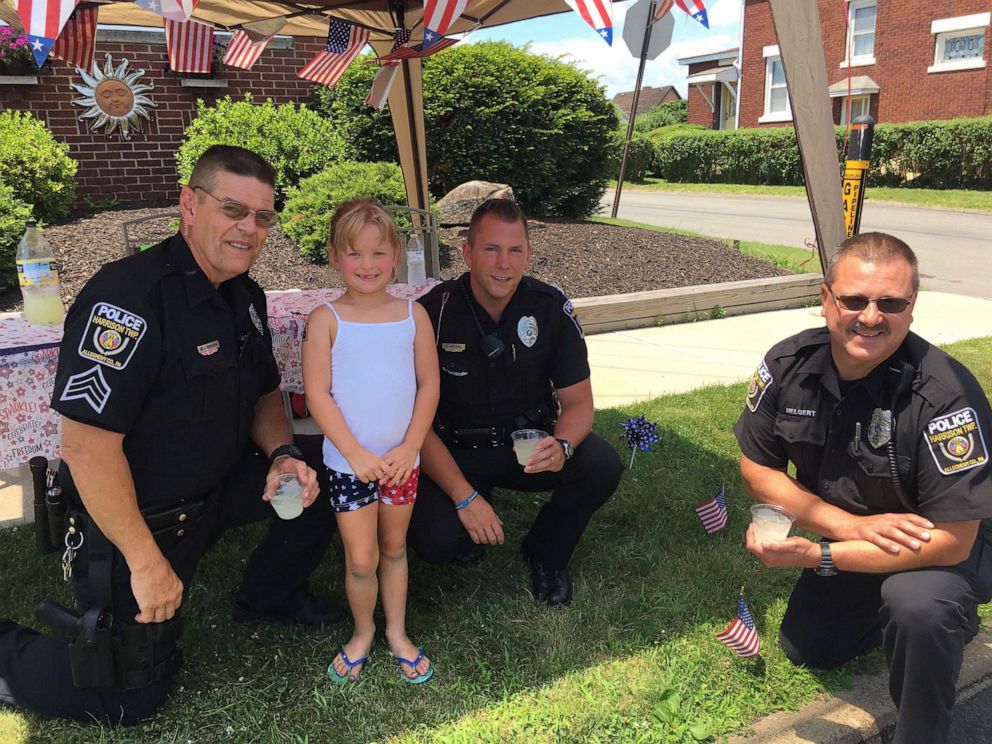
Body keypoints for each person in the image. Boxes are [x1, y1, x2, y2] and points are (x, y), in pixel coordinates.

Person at [0, 145, 344, 725]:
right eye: (233, 209)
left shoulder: (246, 296)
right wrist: (145, 562)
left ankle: (270, 595)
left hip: (219, 482)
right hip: (141, 515)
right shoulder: (127, 299)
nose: (249, 229)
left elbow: (263, 393)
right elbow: (86, 447)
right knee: (127, 697)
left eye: (263, 217)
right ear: (189, 204)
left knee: (330, 468)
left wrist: (284, 453)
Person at [734, 232, 992, 744]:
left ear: (911, 308)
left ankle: (922, 726)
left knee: (917, 605)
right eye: (854, 299)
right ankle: (916, 625)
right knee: (809, 648)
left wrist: (820, 556)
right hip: (856, 534)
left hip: (935, 552)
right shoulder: (787, 365)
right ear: (827, 298)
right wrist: (845, 529)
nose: (871, 316)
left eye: (890, 303)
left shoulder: (945, 396)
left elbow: (954, 540)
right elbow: (756, 468)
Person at [410, 198, 623, 607]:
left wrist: (561, 446)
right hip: (454, 452)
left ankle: (545, 552)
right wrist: (464, 497)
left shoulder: (551, 308)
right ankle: (472, 512)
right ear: (468, 252)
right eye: (491, 249)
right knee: (438, 541)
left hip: (526, 449)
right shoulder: (432, 314)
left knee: (600, 463)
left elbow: (578, 403)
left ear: (528, 253)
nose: (504, 264)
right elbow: (410, 420)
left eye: (515, 251)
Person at [302, 199, 439, 684]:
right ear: (336, 256)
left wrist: (410, 448)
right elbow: (318, 394)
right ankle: (363, 632)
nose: (367, 265)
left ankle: (397, 632)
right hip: (349, 466)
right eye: (355, 254)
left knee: (395, 545)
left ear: (396, 253)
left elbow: (429, 386)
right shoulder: (326, 320)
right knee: (361, 557)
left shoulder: (412, 316)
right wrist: (356, 454)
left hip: (403, 463)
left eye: (378, 253)